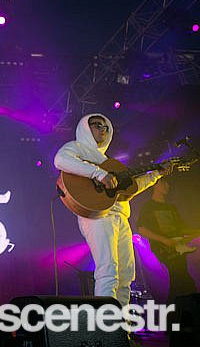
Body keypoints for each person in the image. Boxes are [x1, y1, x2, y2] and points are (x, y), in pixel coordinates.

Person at [54, 113, 171, 307]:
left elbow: (130, 189)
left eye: (106, 127)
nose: (103, 129)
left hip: (120, 216)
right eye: (97, 125)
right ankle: (107, 323)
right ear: (85, 128)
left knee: (126, 274)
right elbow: (61, 160)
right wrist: (98, 174)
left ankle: (122, 322)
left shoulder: (109, 162)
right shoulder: (77, 148)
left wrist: (156, 175)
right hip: (97, 215)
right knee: (108, 270)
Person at [136, 178, 199, 302]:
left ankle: (179, 308)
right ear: (154, 185)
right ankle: (174, 309)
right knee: (178, 279)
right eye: (163, 183)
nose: (167, 186)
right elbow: (142, 229)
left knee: (184, 280)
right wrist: (165, 240)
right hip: (163, 248)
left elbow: (182, 228)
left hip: (178, 247)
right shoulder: (148, 207)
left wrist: (195, 232)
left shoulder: (171, 207)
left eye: (168, 183)